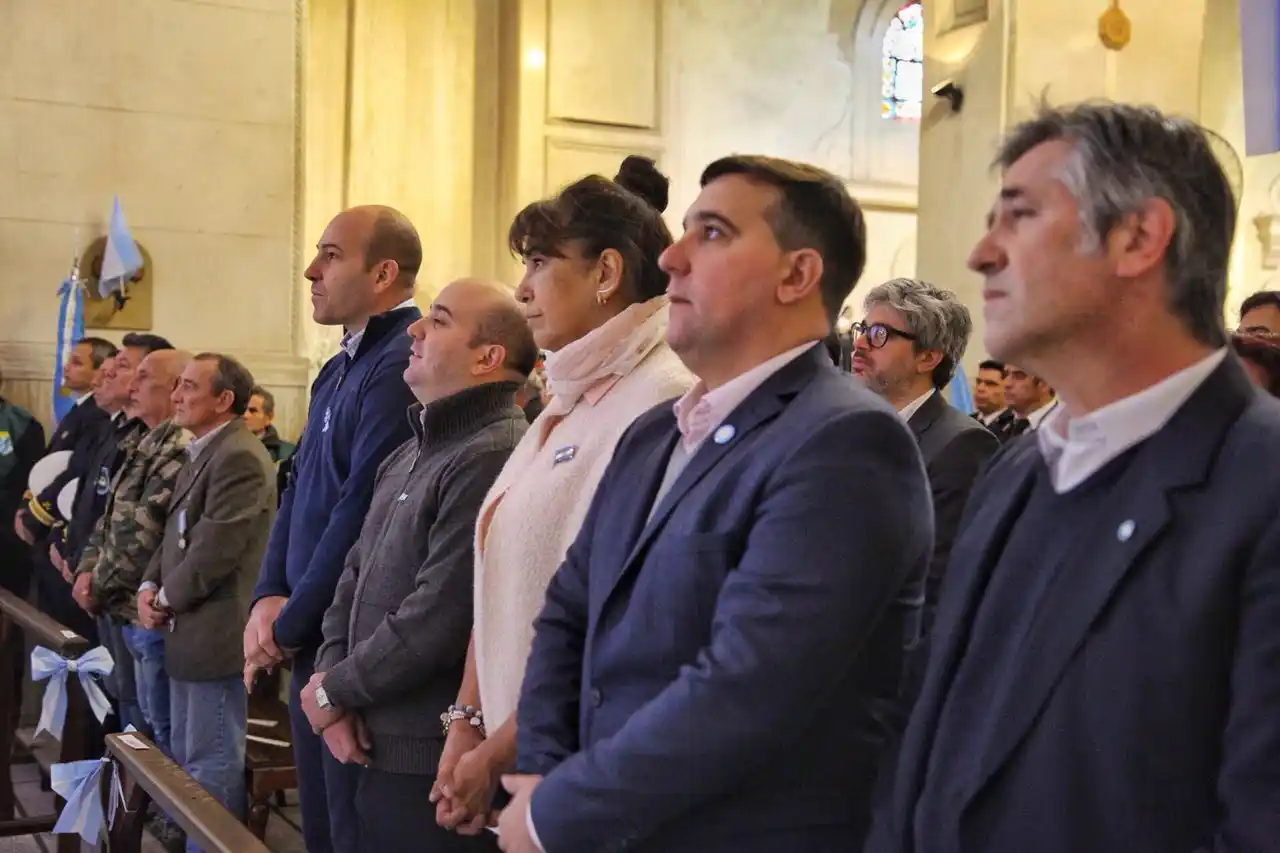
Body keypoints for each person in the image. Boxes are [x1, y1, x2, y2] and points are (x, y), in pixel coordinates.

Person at [865, 102, 1280, 853]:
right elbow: (925, 726)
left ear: (1137, 237)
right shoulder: (1016, 464)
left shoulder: (1259, 486)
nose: (983, 253)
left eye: (1018, 217)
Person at [497, 155, 932, 853]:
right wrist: (545, 773)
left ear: (798, 275)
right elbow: (569, 609)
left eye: (713, 233)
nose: (670, 257)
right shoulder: (652, 433)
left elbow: (751, 687)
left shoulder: (846, 442)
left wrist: (560, 810)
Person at [432, 157, 694, 837]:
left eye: (541, 263)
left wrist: (498, 749)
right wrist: (468, 719)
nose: (521, 290)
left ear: (606, 274)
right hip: (520, 751)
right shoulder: (565, 399)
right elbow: (498, 571)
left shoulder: (660, 396)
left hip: (578, 766)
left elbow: (609, 616)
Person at [305, 280, 535, 853]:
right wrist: (332, 689)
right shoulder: (413, 449)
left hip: (427, 758)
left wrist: (336, 689)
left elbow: (441, 612)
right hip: (363, 733)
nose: (414, 328)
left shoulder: (492, 453)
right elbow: (351, 579)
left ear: (488, 356)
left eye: (439, 319)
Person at [246, 205, 423, 853]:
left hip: (346, 635)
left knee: (348, 829)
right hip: (307, 628)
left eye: (330, 254)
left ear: (382, 272)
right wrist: (269, 591)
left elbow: (361, 508)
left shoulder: (400, 360)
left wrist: (290, 623)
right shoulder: (337, 367)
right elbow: (295, 487)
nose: (311, 270)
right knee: (322, 825)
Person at [138, 353, 276, 853]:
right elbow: (174, 535)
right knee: (188, 758)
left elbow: (215, 549)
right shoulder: (204, 450)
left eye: (190, 387)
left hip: (215, 633)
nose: (177, 395)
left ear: (224, 400)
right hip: (186, 627)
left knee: (211, 763)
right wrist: (147, 588)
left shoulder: (238, 455)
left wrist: (167, 597)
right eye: (176, 386)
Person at [853, 278, 998, 636]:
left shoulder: (963, 445)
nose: (859, 343)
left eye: (879, 334)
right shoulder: (852, 431)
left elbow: (935, 589)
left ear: (928, 357)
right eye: (862, 329)